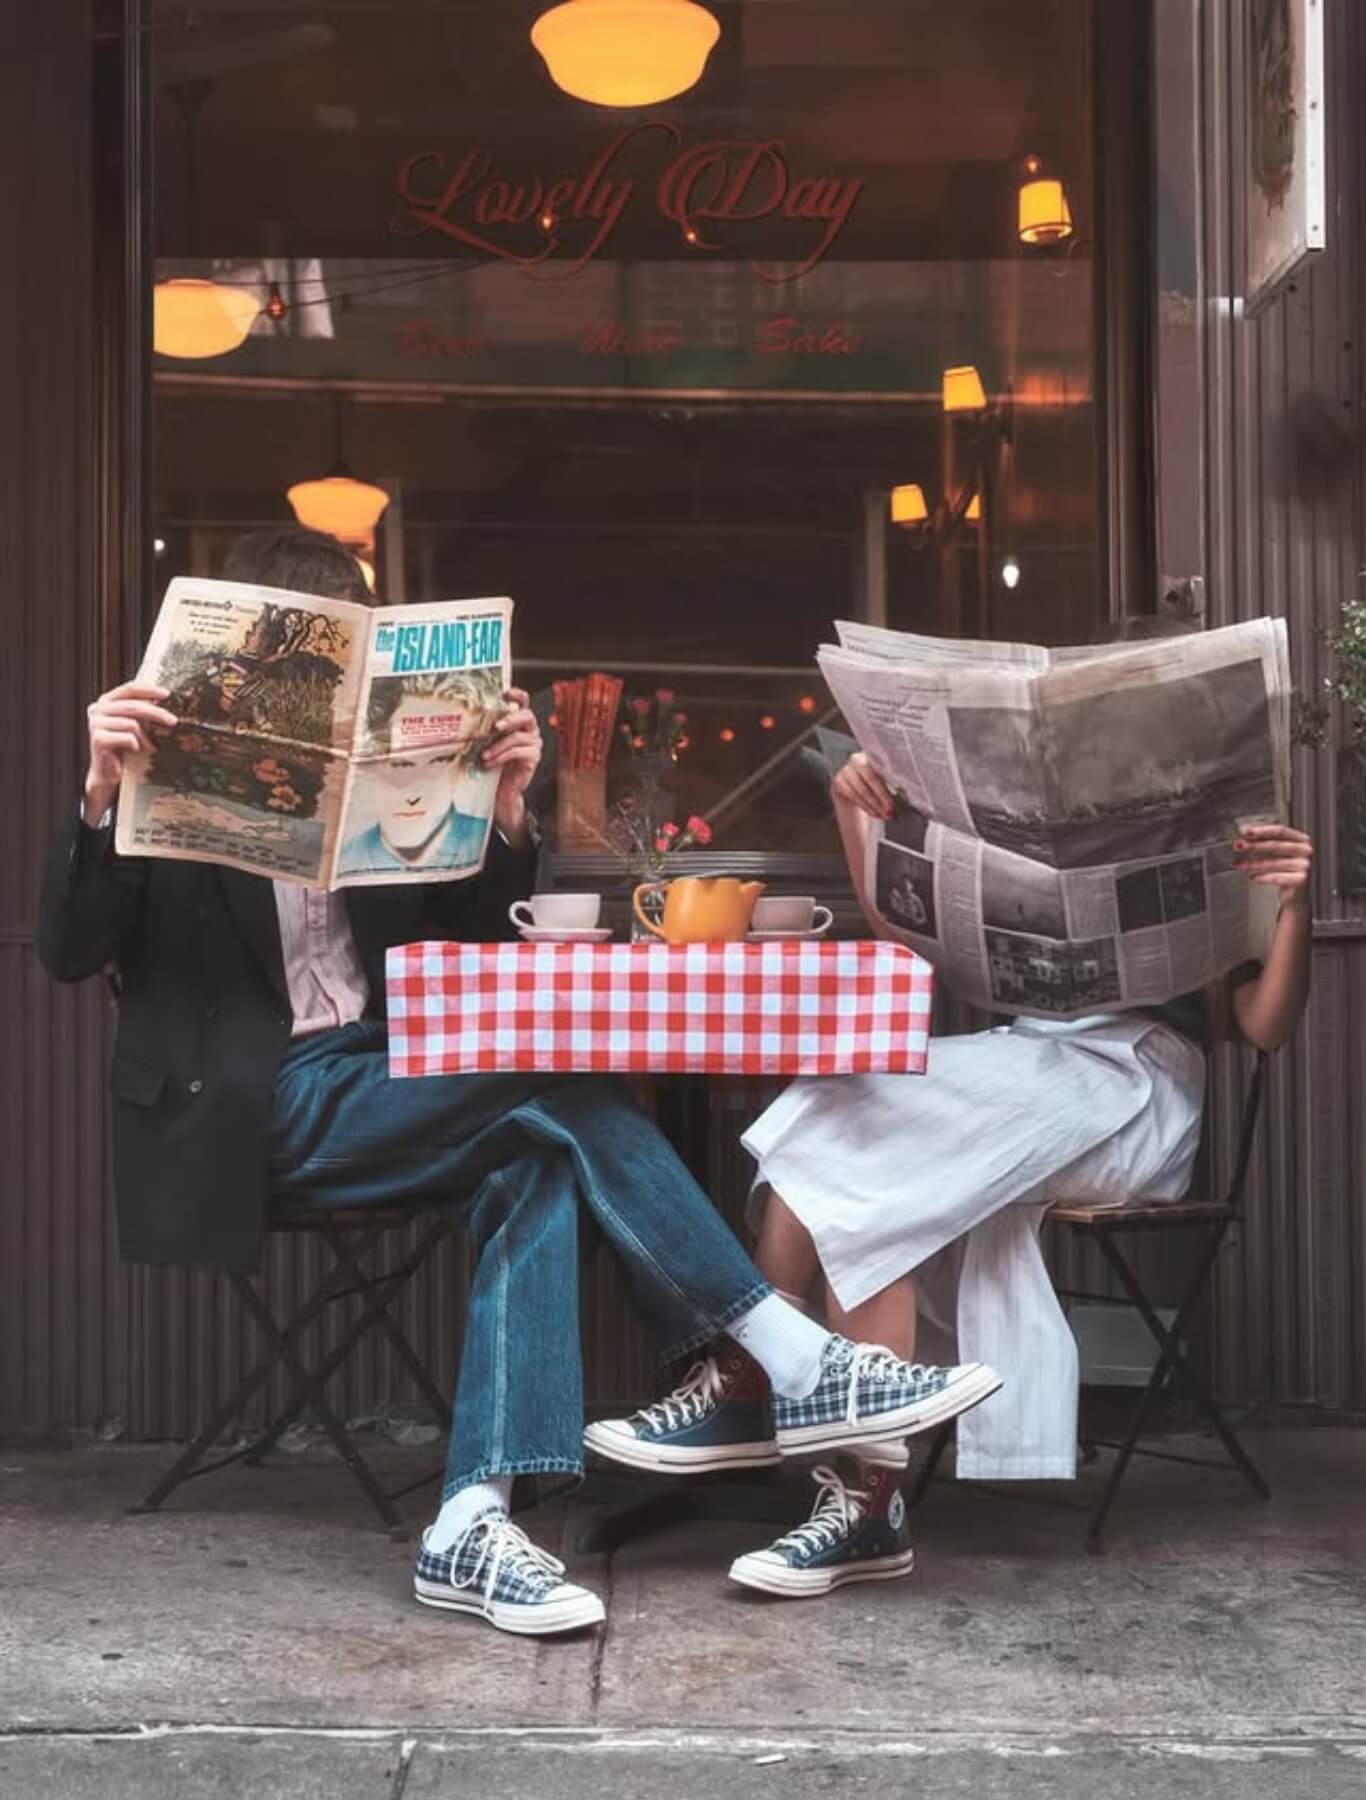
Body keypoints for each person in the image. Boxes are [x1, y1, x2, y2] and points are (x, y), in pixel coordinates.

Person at [38, 525, 998, 1638]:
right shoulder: (157, 777)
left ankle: (475, 1523)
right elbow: (67, 951)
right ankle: (783, 1360)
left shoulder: (373, 783)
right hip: (251, 1113)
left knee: (543, 1160)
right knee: (561, 1085)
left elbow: (475, 925)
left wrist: (501, 803)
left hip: (386, 1080)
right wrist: (100, 790)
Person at [589, 617, 1314, 1601]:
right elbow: (910, 928)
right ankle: (848, 1486)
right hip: (1026, 1062)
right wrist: (857, 817)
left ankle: (763, 1386)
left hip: (1132, 1092)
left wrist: (1293, 907)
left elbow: (1261, 1029)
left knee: (876, 1147)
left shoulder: (1229, 844)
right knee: (843, 1098)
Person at [337, 671, 503, 877]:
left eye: (440, 761)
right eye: (400, 764)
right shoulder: (343, 857)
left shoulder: (495, 840)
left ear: (463, 767)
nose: (414, 796)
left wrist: (511, 812)